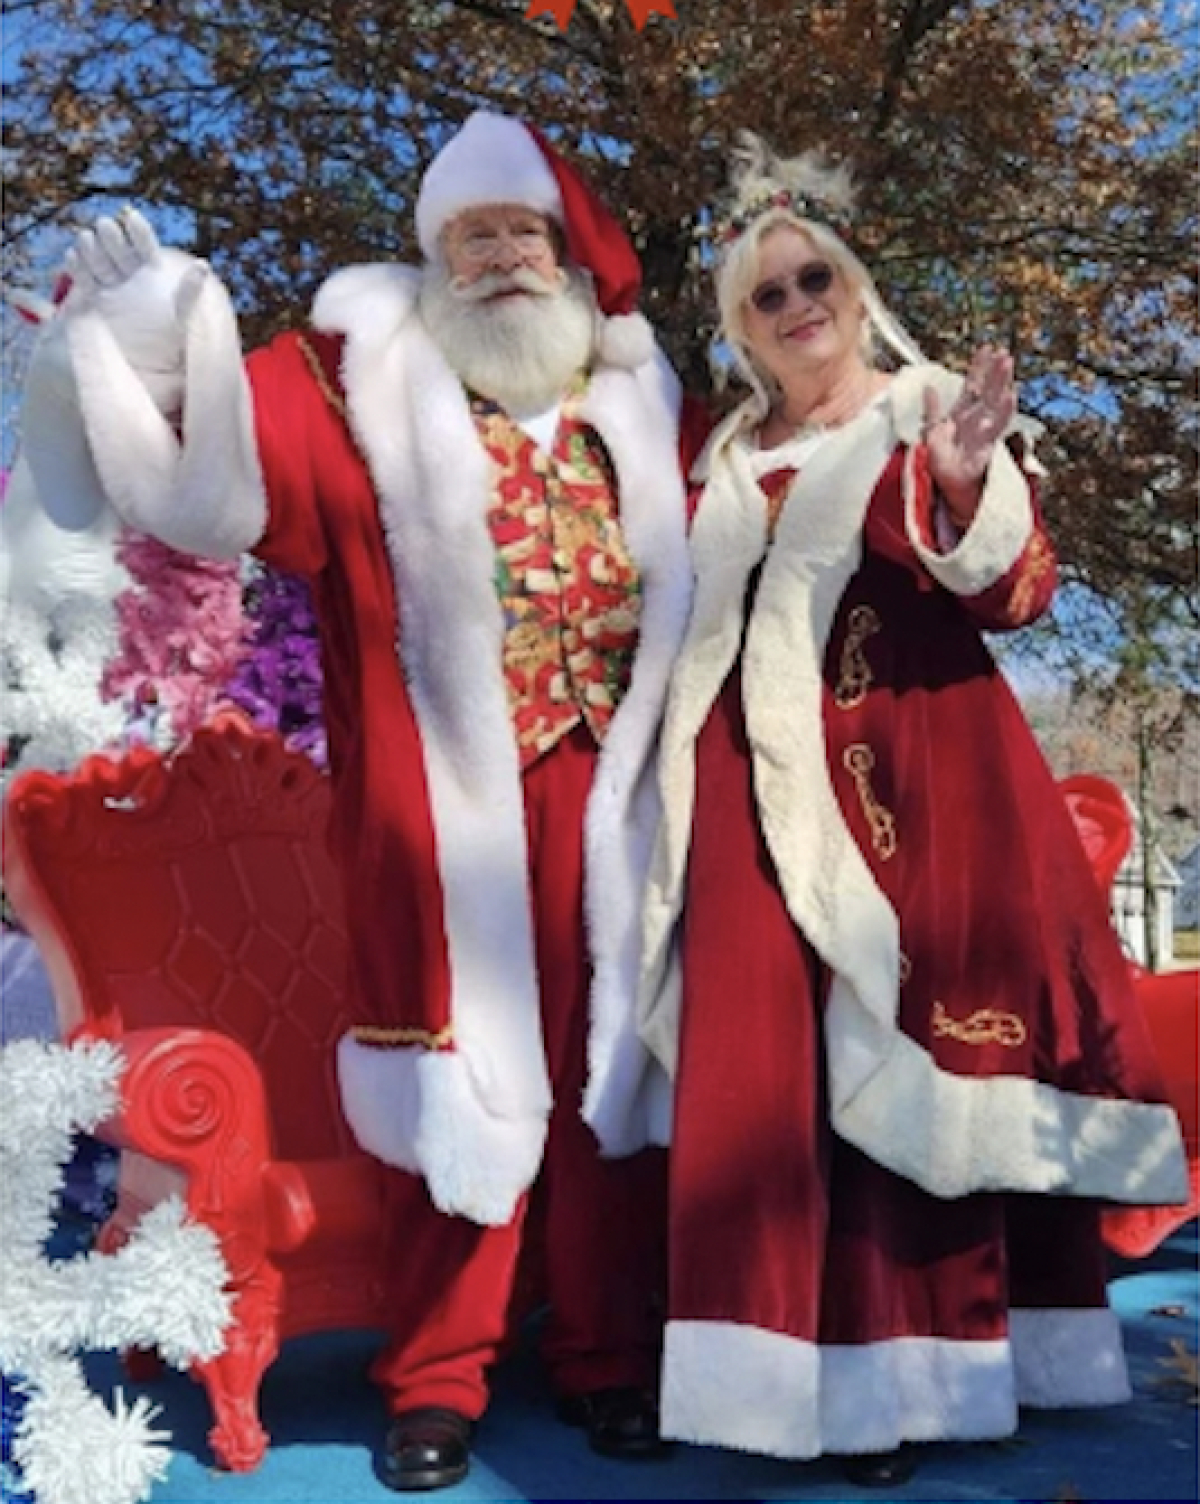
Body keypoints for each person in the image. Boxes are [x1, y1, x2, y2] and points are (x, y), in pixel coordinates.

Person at [22, 112, 694, 1492]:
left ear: (566, 264)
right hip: (443, 816)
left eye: (522, 235)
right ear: (436, 262)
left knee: (613, 1081)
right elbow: (220, 469)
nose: (501, 258)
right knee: (459, 1081)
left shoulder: (648, 412)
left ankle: (609, 1358)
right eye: (471, 238)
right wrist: (161, 326)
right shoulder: (360, 392)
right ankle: (438, 1377)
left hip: (624, 794)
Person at [636, 133, 1190, 1487]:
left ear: (852, 280)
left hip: (911, 802)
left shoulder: (919, 410)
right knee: (767, 1091)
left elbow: (1011, 584)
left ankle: (904, 1386)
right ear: (739, 328)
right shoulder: (722, 454)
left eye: (811, 277)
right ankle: (766, 1379)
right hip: (736, 809)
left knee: (896, 1080)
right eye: (764, 297)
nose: (795, 308)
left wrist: (960, 483)